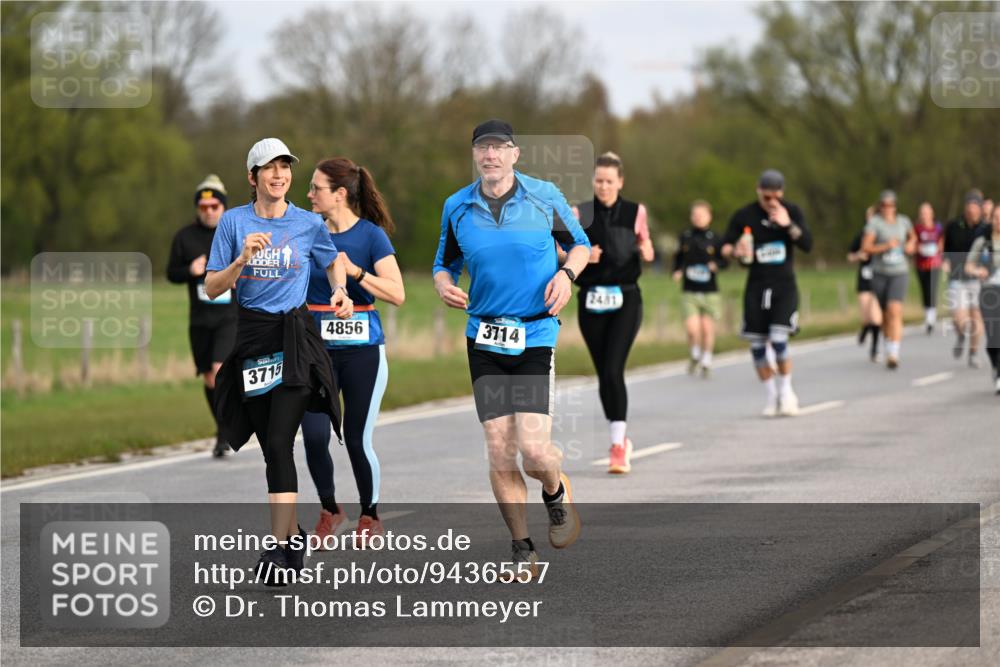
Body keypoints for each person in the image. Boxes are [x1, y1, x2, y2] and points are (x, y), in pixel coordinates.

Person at [433, 119, 590, 574]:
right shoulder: (456, 206)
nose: (491, 155)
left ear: (515, 154)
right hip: (483, 336)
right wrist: (444, 283)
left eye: (500, 148)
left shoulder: (545, 196)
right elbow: (443, 263)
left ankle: (556, 492)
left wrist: (567, 274)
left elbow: (580, 247)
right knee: (499, 445)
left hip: (536, 332)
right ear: (475, 155)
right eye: (483, 147)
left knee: (535, 449)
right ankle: (521, 545)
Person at [206, 138, 353, 585]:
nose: (279, 176)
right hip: (251, 341)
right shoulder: (233, 222)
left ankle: (280, 552)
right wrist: (241, 260)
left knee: (278, 440)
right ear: (252, 177)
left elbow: (333, 263)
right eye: (269, 168)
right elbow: (213, 286)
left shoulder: (309, 223)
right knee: (272, 448)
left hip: (294, 338)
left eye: (284, 168)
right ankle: (294, 538)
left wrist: (341, 290)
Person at [301, 157, 404, 546]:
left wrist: (357, 273)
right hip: (316, 353)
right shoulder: (308, 232)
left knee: (358, 438)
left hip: (362, 352)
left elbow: (397, 293)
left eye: (316, 188)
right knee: (312, 436)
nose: (309, 195)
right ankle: (331, 510)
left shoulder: (371, 236)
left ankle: (369, 515)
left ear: (340, 194)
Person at [571, 151, 654, 475]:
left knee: (613, 368)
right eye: (598, 181)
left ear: (620, 182)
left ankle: (618, 446)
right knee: (603, 371)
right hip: (590, 299)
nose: (603, 186)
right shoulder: (580, 213)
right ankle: (618, 437)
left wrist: (647, 251)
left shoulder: (636, 211)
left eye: (609, 181)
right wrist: (582, 254)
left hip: (626, 298)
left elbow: (645, 243)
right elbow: (560, 249)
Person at [721, 169, 812, 417]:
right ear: (758, 191)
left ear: (781, 193)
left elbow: (807, 244)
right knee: (758, 346)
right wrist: (735, 250)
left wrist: (788, 225)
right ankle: (772, 396)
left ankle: (786, 392)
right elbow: (724, 246)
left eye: (775, 196)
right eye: (766, 196)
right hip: (757, 286)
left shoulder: (791, 211)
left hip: (784, 285)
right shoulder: (744, 215)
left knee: (780, 339)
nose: (771, 201)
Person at [167, 175, 237, 457]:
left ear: (223, 207)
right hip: (200, 320)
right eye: (204, 206)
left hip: (229, 317)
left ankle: (226, 431)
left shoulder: (234, 233)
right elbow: (170, 273)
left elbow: (253, 265)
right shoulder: (185, 237)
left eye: (214, 206)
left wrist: (236, 276)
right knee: (209, 378)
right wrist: (190, 271)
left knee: (219, 371)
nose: (209, 211)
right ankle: (222, 430)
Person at [861, 190, 916, 370]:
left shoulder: (903, 221)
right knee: (885, 314)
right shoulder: (875, 224)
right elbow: (866, 247)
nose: (887, 208)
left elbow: (913, 237)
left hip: (899, 271)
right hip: (880, 272)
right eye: (884, 205)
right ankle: (887, 341)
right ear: (880, 206)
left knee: (895, 309)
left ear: (895, 206)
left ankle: (894, 352)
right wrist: (885, 246)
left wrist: (909, 245)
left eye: (890, 205)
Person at [672, 200, 726, 378]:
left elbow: (725, 261)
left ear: (709, 217)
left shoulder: (716, 238)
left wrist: (716, 265)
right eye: (695, 215)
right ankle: (695, 352)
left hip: (710, 290)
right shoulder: (686, 236)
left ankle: (707, 359)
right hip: (690, 290)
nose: (698, 218)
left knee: (707, 328)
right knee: (692, 328)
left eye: (701, 215)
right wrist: (677, 271)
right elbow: (678, 258)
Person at [944, 191, 988, 367]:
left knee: (977, 317)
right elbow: (946, 248)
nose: (971, 209)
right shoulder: (954, 226)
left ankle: (973, 352)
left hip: (978, 279)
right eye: (969, 206)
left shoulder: (986, 229)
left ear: (980, 208)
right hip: (957, 277)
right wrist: (946, 261)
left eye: (975, 206)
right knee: (960, 319)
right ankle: (962, 334)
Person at [964, 204, 1000, 393]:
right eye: (996, 217)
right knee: (993, 337)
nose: (999, 221)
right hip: (989, 292)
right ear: (991, 219)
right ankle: (995, 364)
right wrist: (978, 270)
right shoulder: (983, 241)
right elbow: (968, 266)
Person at [847, 205, 882, 362]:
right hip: (864, 277)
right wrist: (858, 256)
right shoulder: (861, 235)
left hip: (880, 277)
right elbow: (849, 256)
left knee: (876, 316)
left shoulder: (883, 236)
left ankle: (874, 349)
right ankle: (865, 328)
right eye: (868, 217)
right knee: (866, 315)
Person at [914, 202, 945, 334]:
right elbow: (913, 242)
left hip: (934, 263)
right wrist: (919, 248)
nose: (925, 215)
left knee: (932, 289)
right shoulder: (917, 228)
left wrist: (938, 249)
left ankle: (931, 319)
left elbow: (942, 242)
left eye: (927, 213)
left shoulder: (938, 227)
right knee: (924, 290)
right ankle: (928, 314)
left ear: (931, 214)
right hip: (921, 263)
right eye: (922, 213)